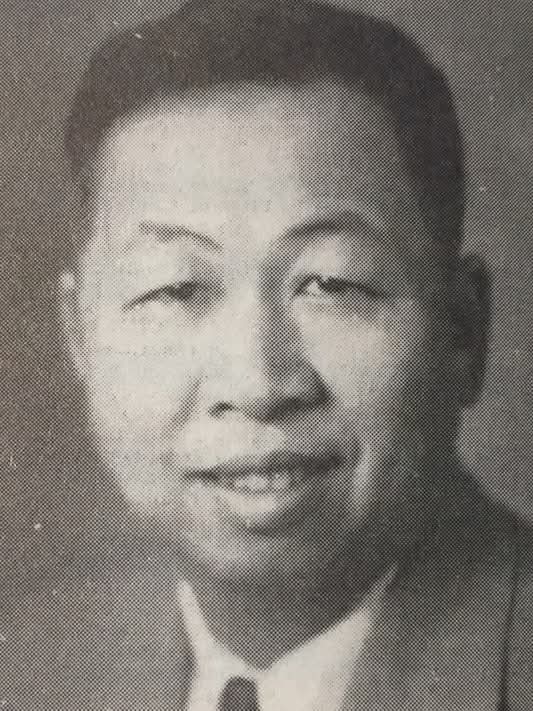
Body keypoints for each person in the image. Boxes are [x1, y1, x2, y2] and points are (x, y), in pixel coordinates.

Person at [1, 0, 532, 708]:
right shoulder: (30, 669)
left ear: (462, 331)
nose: (257, 383)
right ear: (79, 339)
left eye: (330, 283)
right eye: (174, 288)